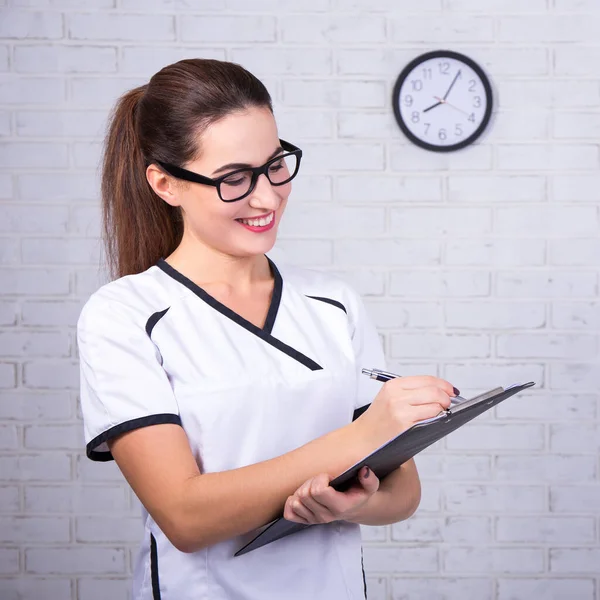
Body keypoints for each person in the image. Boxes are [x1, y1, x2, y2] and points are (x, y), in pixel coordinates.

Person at [77, 58, 457, 600]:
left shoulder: (334, 304)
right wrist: (362, 437)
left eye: (275, 165)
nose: (267, 196)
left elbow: (403, 490)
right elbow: (183, 515)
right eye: (234, 178)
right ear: (165, 184)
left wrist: (358, 503)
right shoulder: (125, 315)